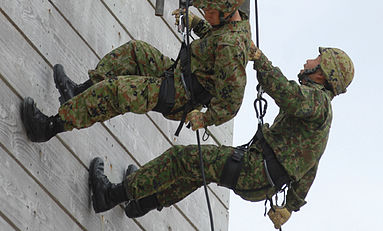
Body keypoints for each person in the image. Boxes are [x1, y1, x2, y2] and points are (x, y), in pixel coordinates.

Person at [87, 45, 354, 228]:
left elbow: (287, 94)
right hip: (261, 178)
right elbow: (311, 165)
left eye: (315, 61)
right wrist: (289, 206)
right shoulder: (321, 116)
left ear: (322, 73)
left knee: (184, 158)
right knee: (196, 171)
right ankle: (141, 202)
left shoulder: (316, 103)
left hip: (255, 170)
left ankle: (110, 195)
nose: (308, 62)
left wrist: (259, 59)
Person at [21, 0, 252, 142]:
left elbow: (232, 103)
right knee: (135, 51)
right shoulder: (230, 25)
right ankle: (79, 93)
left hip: (180, 97)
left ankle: (49, 127)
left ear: (225, 10)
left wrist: (206, 118)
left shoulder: (232, 48)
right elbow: (213, 42)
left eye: (208, 12)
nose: (205, 13)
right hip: (178, 76)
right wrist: (196, 23)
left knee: (115, 91)